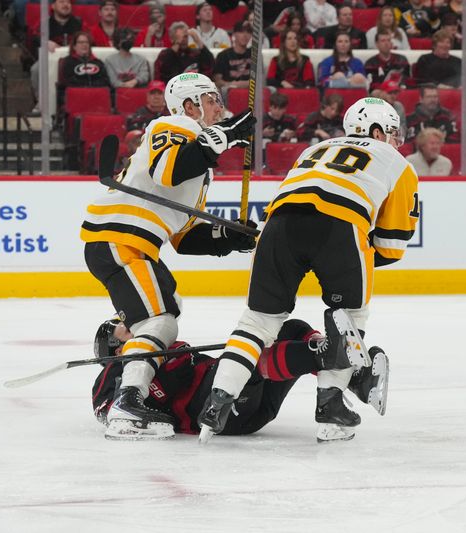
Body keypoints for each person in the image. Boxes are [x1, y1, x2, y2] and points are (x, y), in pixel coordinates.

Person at [197, 97, 418, 444]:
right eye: (391, 132)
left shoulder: (315, 150)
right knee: (349, 318)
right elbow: (390, 248)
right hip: (341, 226)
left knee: (257, 322)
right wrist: (339, 264)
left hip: (278, 225)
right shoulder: (397, 162)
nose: (395, 140)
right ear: (376, 131)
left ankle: (217, 401)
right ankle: (330, 409)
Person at [80, 73, 257, 440]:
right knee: (160, 321)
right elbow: (168, 170)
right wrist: (223, 137)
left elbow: (184, 238)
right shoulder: (173, 124)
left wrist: (229, 236)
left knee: (167, 307)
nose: (220, 106)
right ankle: (128, 401)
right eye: (211, 99)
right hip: (120, 238)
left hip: (131, 243)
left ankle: (117, 336)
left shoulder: (199, 162)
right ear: (190, 106)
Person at [91, 315, 386, 439]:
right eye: (125, 330)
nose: (135, 328)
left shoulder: (163, 349)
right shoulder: (119, 370)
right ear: (116, 349)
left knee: (291, 329)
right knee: (253, 362)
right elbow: (108, 410)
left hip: (242, 401)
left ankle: (352, 381)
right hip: (216, 412)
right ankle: (339, 359)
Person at [213, 21, 252, 102]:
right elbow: (217, 81)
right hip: (228, 92)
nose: (245, 35)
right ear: (234, 34)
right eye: (241, 32)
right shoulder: (223, 55)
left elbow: (261, 80)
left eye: (248, 32)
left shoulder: (255, 55)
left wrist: (245, 84)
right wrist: (233, 85)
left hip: (251, 91)